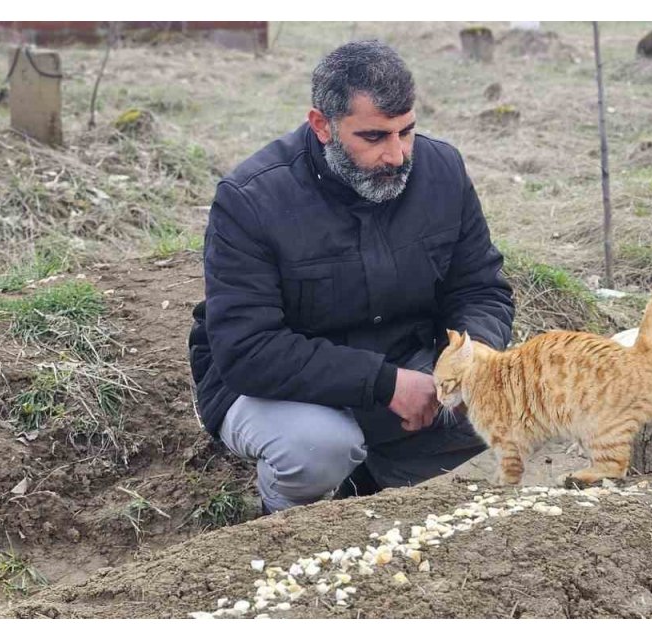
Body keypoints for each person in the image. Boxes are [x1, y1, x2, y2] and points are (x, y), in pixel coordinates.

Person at [187, 40, 514, 515]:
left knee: (507, 402)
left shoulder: (442, 171)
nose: (398, 156)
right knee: (318, 449)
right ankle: (283, 524)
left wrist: (469, 361)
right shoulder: (251, 199)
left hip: (407, 364)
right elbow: (248, 350)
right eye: (375, 137)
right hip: (278, 391)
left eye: (407, 132)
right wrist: (387, 385)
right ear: (322, 125)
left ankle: (370, 491)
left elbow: (480, 288)